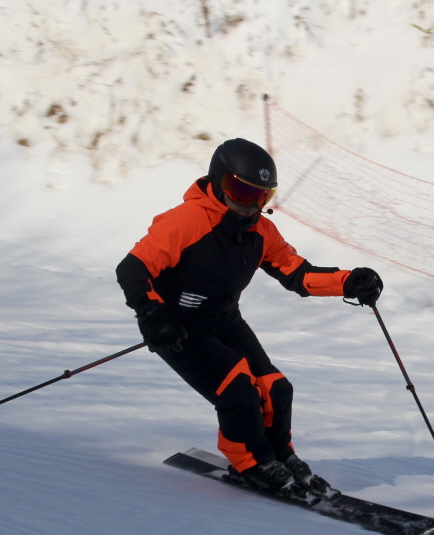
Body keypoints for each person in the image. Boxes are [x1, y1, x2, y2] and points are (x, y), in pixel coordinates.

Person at [116, 138, 383, 495]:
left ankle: (279, 454)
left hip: (225, 322)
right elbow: (133, 268)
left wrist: (348, 282)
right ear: (218, 182)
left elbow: (297, 273)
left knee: (276, 389)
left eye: (262, 196)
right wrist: (151, 313)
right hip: (177, 329)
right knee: (239, 391)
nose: (251, 205)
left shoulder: (260, 231)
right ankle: (250, 463)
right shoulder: (185, 221)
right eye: (242, 192)